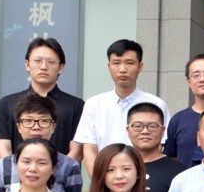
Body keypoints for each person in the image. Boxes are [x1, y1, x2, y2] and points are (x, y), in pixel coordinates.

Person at [73, 39, 171, 176]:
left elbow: (159, 146)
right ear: (109, 66)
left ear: (140, 66)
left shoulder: (156, 104)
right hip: (104, 180)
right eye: (116, 63)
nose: (122, 69)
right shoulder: (94, 104)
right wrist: (100, 181)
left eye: (129, 63)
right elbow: (89, 150)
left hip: (144, 179)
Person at [0, 37, 85, 162]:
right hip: (16, 174)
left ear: (61, 67)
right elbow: (3, 150)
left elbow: (77, 152)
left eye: (51, 62)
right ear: (27, 64)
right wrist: (19, 172)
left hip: (62, 174)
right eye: (37, 61)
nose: (44, 67)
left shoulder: (76, 106)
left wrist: (54, 172)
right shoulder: (7, 103)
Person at [0, 93, 83, 192]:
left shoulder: (69, 166)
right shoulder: (2, 166)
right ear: (19, 127)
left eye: (43, 121)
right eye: (28, 121)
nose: (36, 127)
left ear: (53, 127)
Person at [164, 54, 204, 165]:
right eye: (196, 75)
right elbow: (171, 158)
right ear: (188, 82)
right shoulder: (178, 120)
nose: (202, 79)